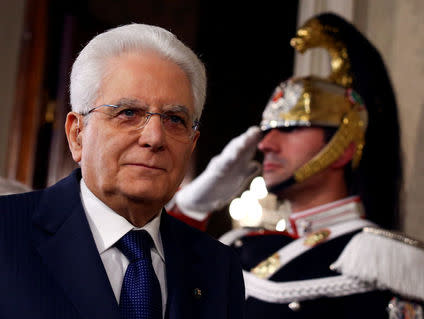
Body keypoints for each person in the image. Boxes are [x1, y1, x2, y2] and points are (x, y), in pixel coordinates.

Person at [171, 13, 424, 318]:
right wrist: (193, 208)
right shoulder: (240, 245)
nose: (266, 144)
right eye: (269, 129)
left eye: (290, 128)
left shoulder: (381, 262)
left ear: (342, 148)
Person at [0, 24, 244, 319]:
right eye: (128, 113)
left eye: (174, 119)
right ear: (77, 134)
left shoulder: (218, 266)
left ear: (192, 145)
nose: (154, 138)